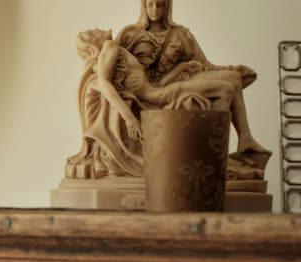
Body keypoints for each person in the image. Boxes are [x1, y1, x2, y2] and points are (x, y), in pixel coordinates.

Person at [114, 0, 269, 162]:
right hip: (155, 88)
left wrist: (230, 68)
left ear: (167, 6)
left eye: (160, 5)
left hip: (180, 78)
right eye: (150, 5)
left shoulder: (180, 34)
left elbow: (204, 63)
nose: (155, 10)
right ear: (143, 5)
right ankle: (213, 151)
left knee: (233, 77)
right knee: (225, 88)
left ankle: (245, 139)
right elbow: (112, 65)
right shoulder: (130, 34)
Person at [67, 29, 238, 179]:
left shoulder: (115, 50)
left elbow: (153, 83)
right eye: (90, 33)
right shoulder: (110, 47)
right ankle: (215, 159)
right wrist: (129, 118)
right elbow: (104, 83)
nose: (95, 29)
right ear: (91, 45)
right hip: (160, 97)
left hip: (161, 92)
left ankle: (215, 158)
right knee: (225, 90)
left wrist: (181, 69)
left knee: (226, 89)